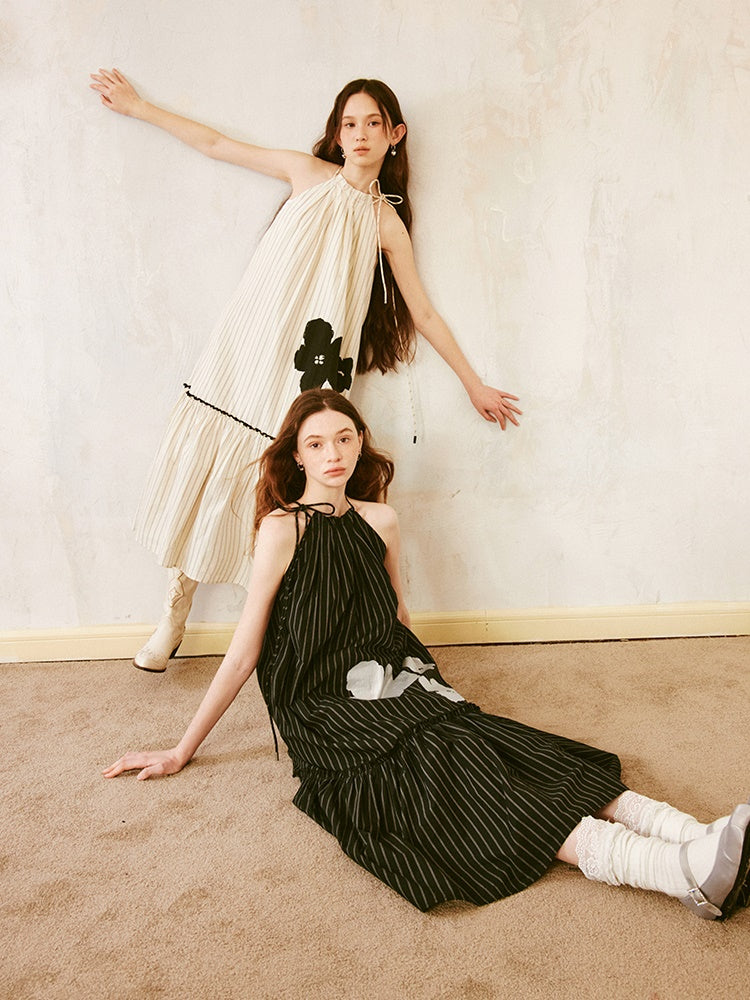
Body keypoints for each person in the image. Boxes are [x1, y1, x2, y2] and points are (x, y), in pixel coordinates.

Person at [104, 389, 750, 920]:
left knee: (497, 744)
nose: (334, 454)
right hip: (324, 704)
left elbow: (399, 618)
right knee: (453, 776)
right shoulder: (282, 528)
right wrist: (181, 749)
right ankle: (674, 872)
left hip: (392, 676)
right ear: (295, 456)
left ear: (362, 442)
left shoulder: (380, 520)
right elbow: (245, 652)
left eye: (344, 438)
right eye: (316, 444)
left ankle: (697, 837)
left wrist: (433, 693)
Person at [88, 69, 523, 672]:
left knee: (286, 491)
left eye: (373, 123)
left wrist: (473, 385)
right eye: (350, 124)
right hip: (251, 345)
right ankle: (173, 616)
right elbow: (216, 144)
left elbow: (421, 312)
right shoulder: (306, 174)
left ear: (394, 135)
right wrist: (139, 106)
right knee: (215, 471)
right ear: (337, 135)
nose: (361, 134)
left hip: (313, 366)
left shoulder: (386, 223)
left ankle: (269, 636)